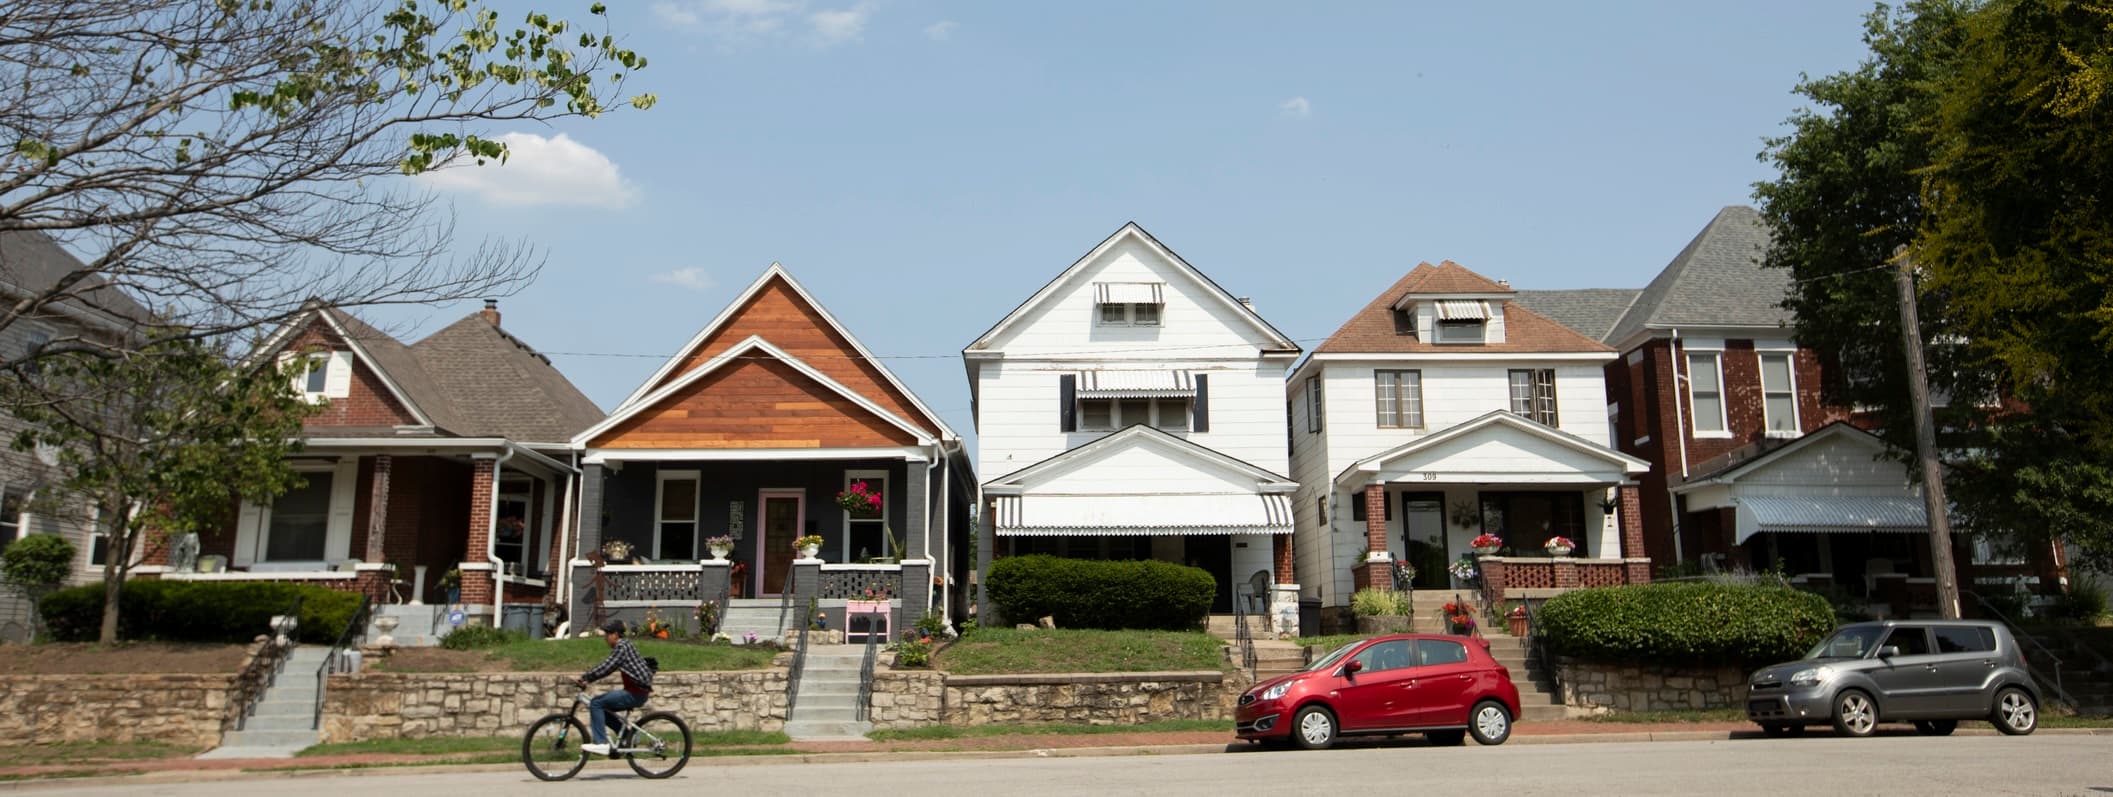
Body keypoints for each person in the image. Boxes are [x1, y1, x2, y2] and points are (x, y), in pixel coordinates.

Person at [576, 619, 654, 756]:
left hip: (635, 693)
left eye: (608, 634)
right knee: (603, 708)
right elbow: (607, 667)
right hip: (636, 691)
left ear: (616, 635)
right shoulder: (624, 645)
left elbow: (607, 667)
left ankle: (601, 743)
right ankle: (627, 736)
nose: (605, 638)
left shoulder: (622, 647)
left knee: (596, 703)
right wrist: (588, 677)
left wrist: (586, 678)